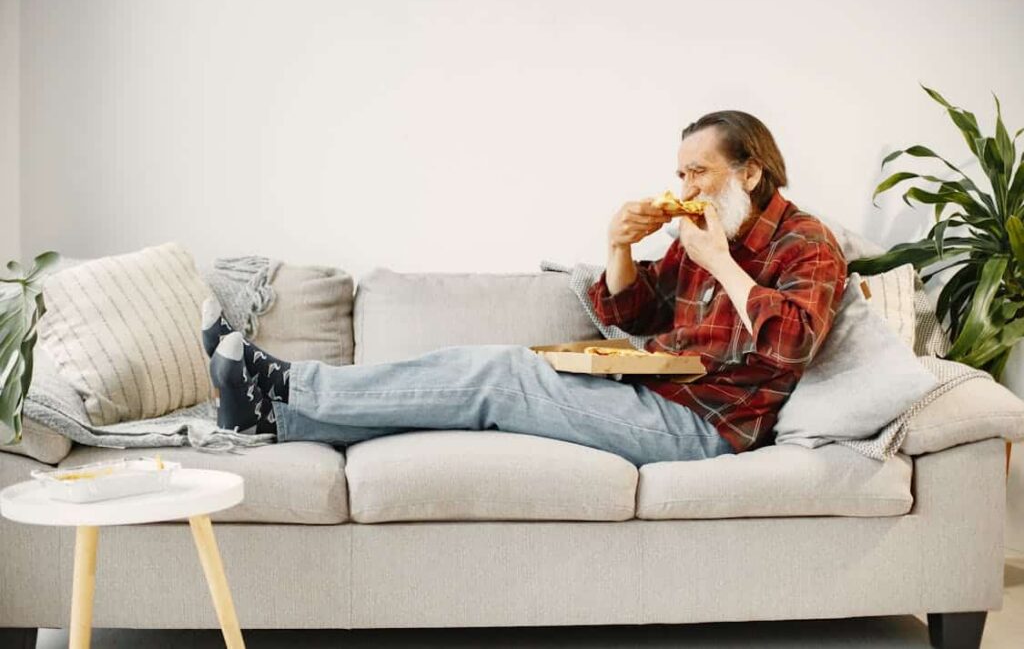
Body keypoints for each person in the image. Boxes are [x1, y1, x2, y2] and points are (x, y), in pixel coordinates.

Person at [203, 110, 847, 466]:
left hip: (705, 428)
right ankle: (273, 417)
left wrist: (725, 265)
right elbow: (637, 310)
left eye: (698, 173)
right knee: (480, 381)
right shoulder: (704, 231)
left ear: (751, 171)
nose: (684, 190)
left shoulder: (806, 243)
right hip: (657, 391)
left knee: (499, 378)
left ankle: (287, 383)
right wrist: (619, 246)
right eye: (679, 173)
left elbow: (792, 345)